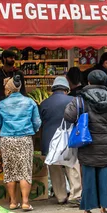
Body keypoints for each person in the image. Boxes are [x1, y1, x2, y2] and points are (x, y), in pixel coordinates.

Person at [64, 70, 107, 213]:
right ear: (104, 82)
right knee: (105, 176)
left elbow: (68, 116)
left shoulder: (81, 99)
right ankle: (104, 210)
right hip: (106, 144)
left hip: (87, 143)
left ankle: (87, 210)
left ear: (89, 82)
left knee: (89, 176)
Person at [0, 75, 41, 211]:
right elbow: (37, 122)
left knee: (9, 170)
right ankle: (25, 202)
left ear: (8, 89)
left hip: (7, 139)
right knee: (25, 169)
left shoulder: (1, 104)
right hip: (24, 139)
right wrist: (33, 130)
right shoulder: (30, 102)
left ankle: (13, 202)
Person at [39, 77, 82, 206]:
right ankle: (76, 195)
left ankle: (61, 196)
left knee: (55, 168)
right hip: (68, 139)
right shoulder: (74, 100)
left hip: (50, 141)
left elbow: (40, 124)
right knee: (72, 165)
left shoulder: (44, 103)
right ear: (66, 89)